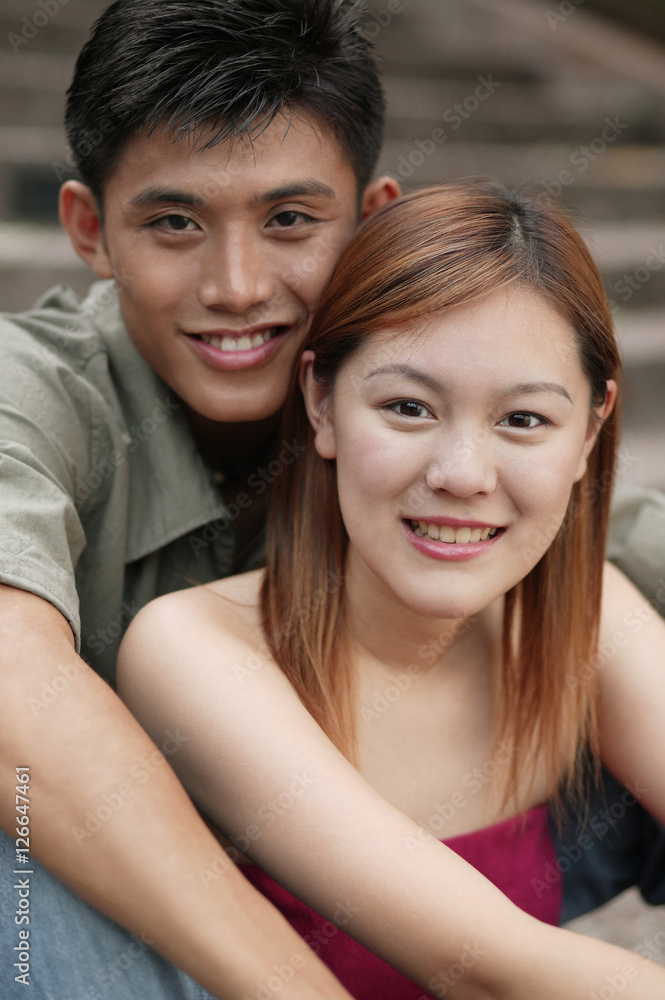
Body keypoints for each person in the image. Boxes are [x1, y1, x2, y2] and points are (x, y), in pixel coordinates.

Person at [0, 0, 662, 996]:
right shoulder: (33, 397)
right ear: (90, 230)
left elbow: (595, 533)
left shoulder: (422, 413)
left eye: (289, 220)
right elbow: (15, 686)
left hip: (471, 851)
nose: (236, 285)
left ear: (369, 219)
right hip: (167, 910)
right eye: (174, 222)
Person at [117, 182, 665, 999]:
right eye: (408, 407)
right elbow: (494, 970)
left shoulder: (583, 617)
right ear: (321, 402)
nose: (462, 475)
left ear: (589, 430)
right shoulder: (193, 650)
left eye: (522, 420)